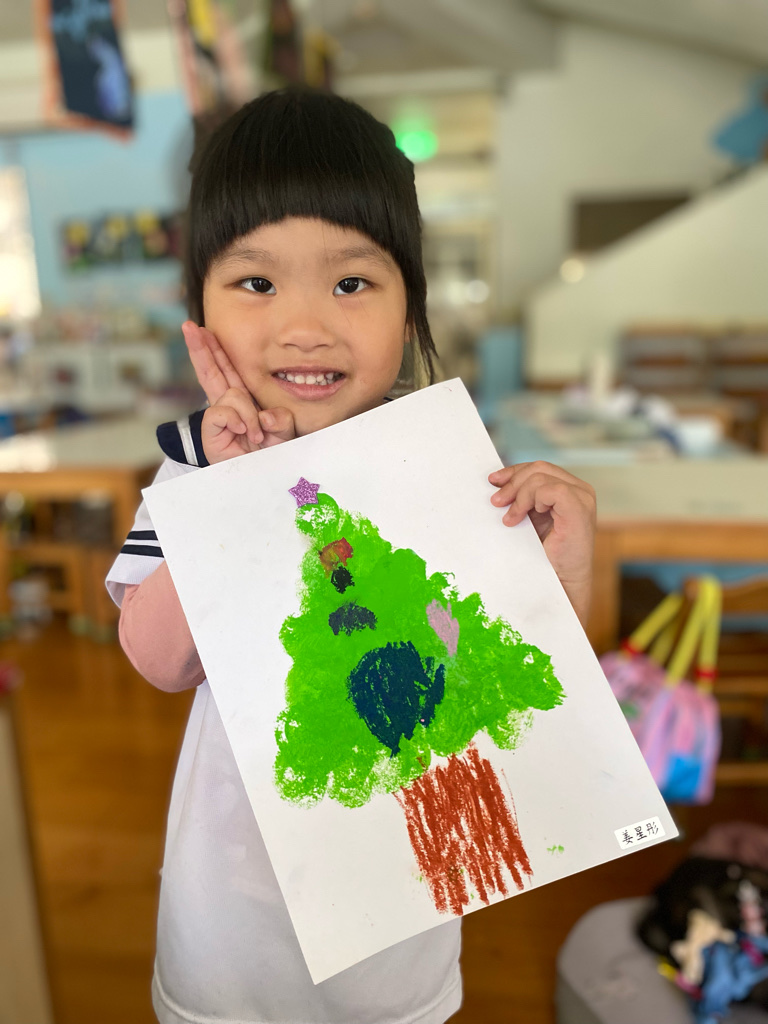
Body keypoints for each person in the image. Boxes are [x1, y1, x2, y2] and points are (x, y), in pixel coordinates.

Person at [107, 86, 596, 1024]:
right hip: (232, 938)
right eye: (257, 283)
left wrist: (565, 576)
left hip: (404, 928)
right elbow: (160, 661)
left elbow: (520, 680)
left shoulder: (446, 470)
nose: (306, 326)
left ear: (410, 308)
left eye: (351, 283)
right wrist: (233, 492)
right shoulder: (194, 468)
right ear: (200, 309)